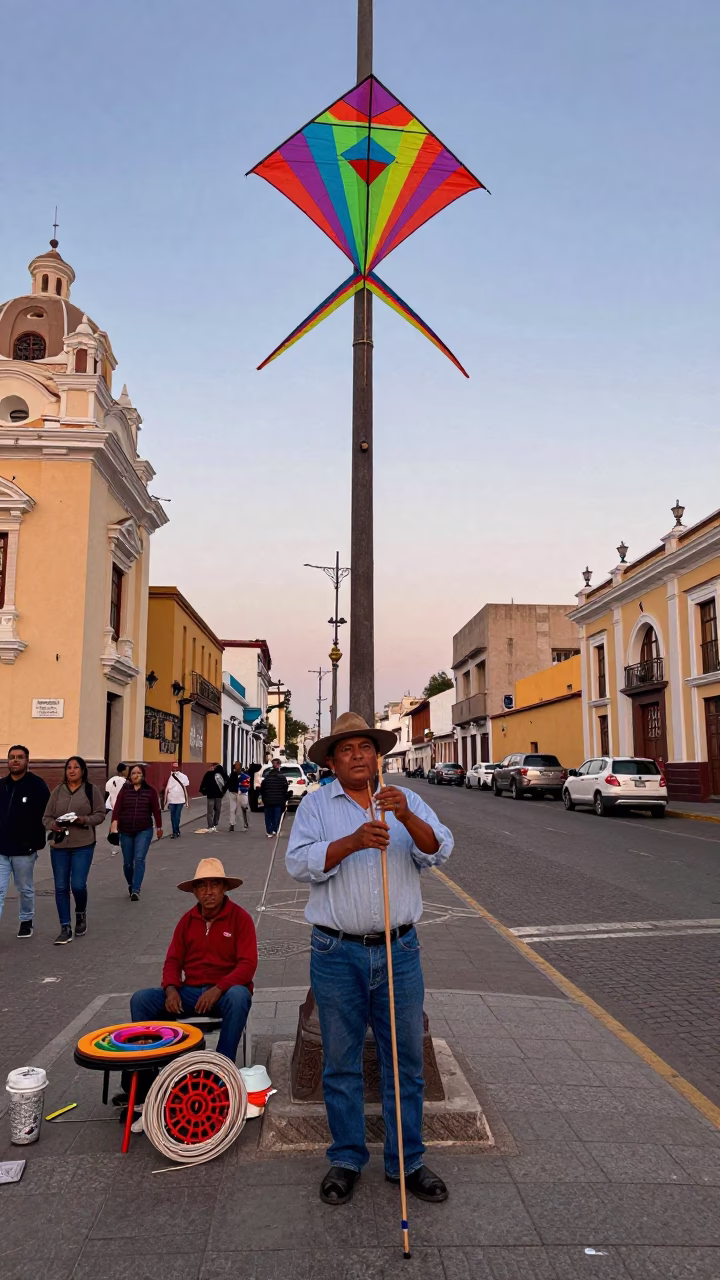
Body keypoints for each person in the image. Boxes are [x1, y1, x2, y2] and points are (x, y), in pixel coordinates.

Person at [286, 712, 453, 1208]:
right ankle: (346, 1157)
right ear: (332, 762)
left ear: (376, 755)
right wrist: (352, 842)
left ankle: (408, 1160)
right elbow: (299, 863)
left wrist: (406, 817)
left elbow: (439, 849)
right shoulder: (316, 806)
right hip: (336, 952)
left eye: (365, 747)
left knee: (404, 1061)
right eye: (346, 749)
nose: (358, 756)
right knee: (340, 1061)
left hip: (399, 950)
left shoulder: (406, 800)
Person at [119, 857, 257, 1110]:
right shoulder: (187, 921)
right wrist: (171, 989)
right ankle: (148, 1080)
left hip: (224, 994)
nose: (209, 891)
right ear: (194, 892)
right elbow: (172, 960)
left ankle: (220, 1072)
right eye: (202, 886)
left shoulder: (240, 918)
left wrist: (219, 989)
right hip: (191, 992)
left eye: (215, 885)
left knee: (239, 996)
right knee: (141, 999)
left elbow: (247, 965)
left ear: (224, 888)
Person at [43, 756, 106, 944]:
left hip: (83, 844)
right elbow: (46, 817)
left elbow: (100, 814)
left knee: (77, 885)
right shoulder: (57, 791)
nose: (71, 771)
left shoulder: (91, 790)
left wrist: (83, 820)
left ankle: (80, 913)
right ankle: (65, 927)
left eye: (76, 767)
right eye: (68, 767)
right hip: (59, 845)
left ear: (83, 770)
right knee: (61, 887)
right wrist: (55, 825)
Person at [0, 746, 50, 939]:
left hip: (24, 850)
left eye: (20, 757)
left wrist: (34, 841)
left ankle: (26, 920)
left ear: (27, 760)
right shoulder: (1, 785)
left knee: (25, 888)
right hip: (2, 848)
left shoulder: (37, 785)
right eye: (12, 757)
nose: (15, 761)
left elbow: (46, 814)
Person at [110, 764, 162, 900]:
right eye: (133, 773)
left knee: (139, 859)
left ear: (143, 775)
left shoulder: (150, 791)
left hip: (144, 830)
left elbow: (156, 810)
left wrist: (159, 827)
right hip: (125, 831)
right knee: (127, 862)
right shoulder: (125, 790)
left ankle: (136, 889)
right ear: (130, 776)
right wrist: (113, 824)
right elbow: (117, 809)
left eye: (139, 773)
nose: (136, 775)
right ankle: (130, 883)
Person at [260, 758, 288, 838]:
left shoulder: (267, 777)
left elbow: (263, 789)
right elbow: (285, 789)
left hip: (268, 801)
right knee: (277, 816)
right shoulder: (282, 777)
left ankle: (269, 831)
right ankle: (274, 830)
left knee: (268, 816)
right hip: (278, 801)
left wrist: (264, 798)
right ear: (279, 765)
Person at [199, 762, 228, 831]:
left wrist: (204, 791)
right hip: (218, 795)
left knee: (210, 811)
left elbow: (203, 783)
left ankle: (211, 825)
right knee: (217, 810)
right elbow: (227, 783)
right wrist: (223, 791)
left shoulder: (208, 774)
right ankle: (215, 823)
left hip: (211, 795)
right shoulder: (223, 774)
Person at [163, 767, 189, 839]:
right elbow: (166, 790)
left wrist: (187, 802)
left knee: (176, 816)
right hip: (172, 800)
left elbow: (185, 789)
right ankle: (175, 831)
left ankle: (176, 831)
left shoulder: (183, 777)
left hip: (179, 800)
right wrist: (165, 802)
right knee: (174, 816)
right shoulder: (170, 777)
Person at [226, 762, 250, 832]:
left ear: (240, 766)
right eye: (235, 765)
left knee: (243, 809)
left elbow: (247, 785)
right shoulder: (232, 774)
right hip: (232, 793)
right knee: (232, 809)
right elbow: (228, 783)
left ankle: (245, 823)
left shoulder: (243, 775)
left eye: (237, 765)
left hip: (241, 793)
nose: (236, 766)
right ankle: (232, 824)